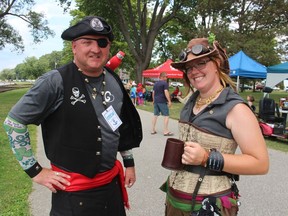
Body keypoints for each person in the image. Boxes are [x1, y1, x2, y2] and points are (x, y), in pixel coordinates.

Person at [3, 16, 142, 216]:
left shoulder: (113, 80)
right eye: (87, 42)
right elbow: (14, 122)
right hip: (73, 194)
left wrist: (129, 163)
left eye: (102, 43)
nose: (96, 49)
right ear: (74, 47)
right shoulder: (54, 81)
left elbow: (117, 126)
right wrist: (35, 171)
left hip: (111, 187)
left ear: (109, 48)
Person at [160, 38, 269, 215]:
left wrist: (206, 157)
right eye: (189, 67)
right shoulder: (191, 101)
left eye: (201, 63)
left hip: (209, 205)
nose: (194, 71)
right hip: (175, 200)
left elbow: (260, 163)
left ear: (217, 63)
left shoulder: (236, 108)